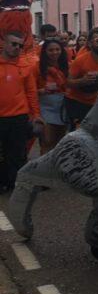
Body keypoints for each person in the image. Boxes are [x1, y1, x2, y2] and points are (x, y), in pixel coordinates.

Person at [0, 31, 42, 191]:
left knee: (17, 153)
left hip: (19, 117)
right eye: (13, 44)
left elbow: (31, 93)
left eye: (20, 45)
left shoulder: (25, 67)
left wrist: (36, 115)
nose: (17, 47)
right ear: (4, 43)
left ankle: (14, 184)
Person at [64, 27, 98, 129]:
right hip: (76, 102)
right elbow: (67, 83)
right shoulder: (80, 61)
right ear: (90, 44)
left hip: (96, 103)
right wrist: (82, 81)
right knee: (79, 132)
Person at [36, 37, 69, 154]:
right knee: (47, 141)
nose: (54, 52)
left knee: (59, 142)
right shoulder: (37, 67)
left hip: (62, 107)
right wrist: (41, 91)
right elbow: (30, 90)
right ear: (45, 52)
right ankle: (44, 164)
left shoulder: (67, 66)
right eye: (51, 50)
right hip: (45, 107)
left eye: (57, 49)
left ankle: (55, 164)